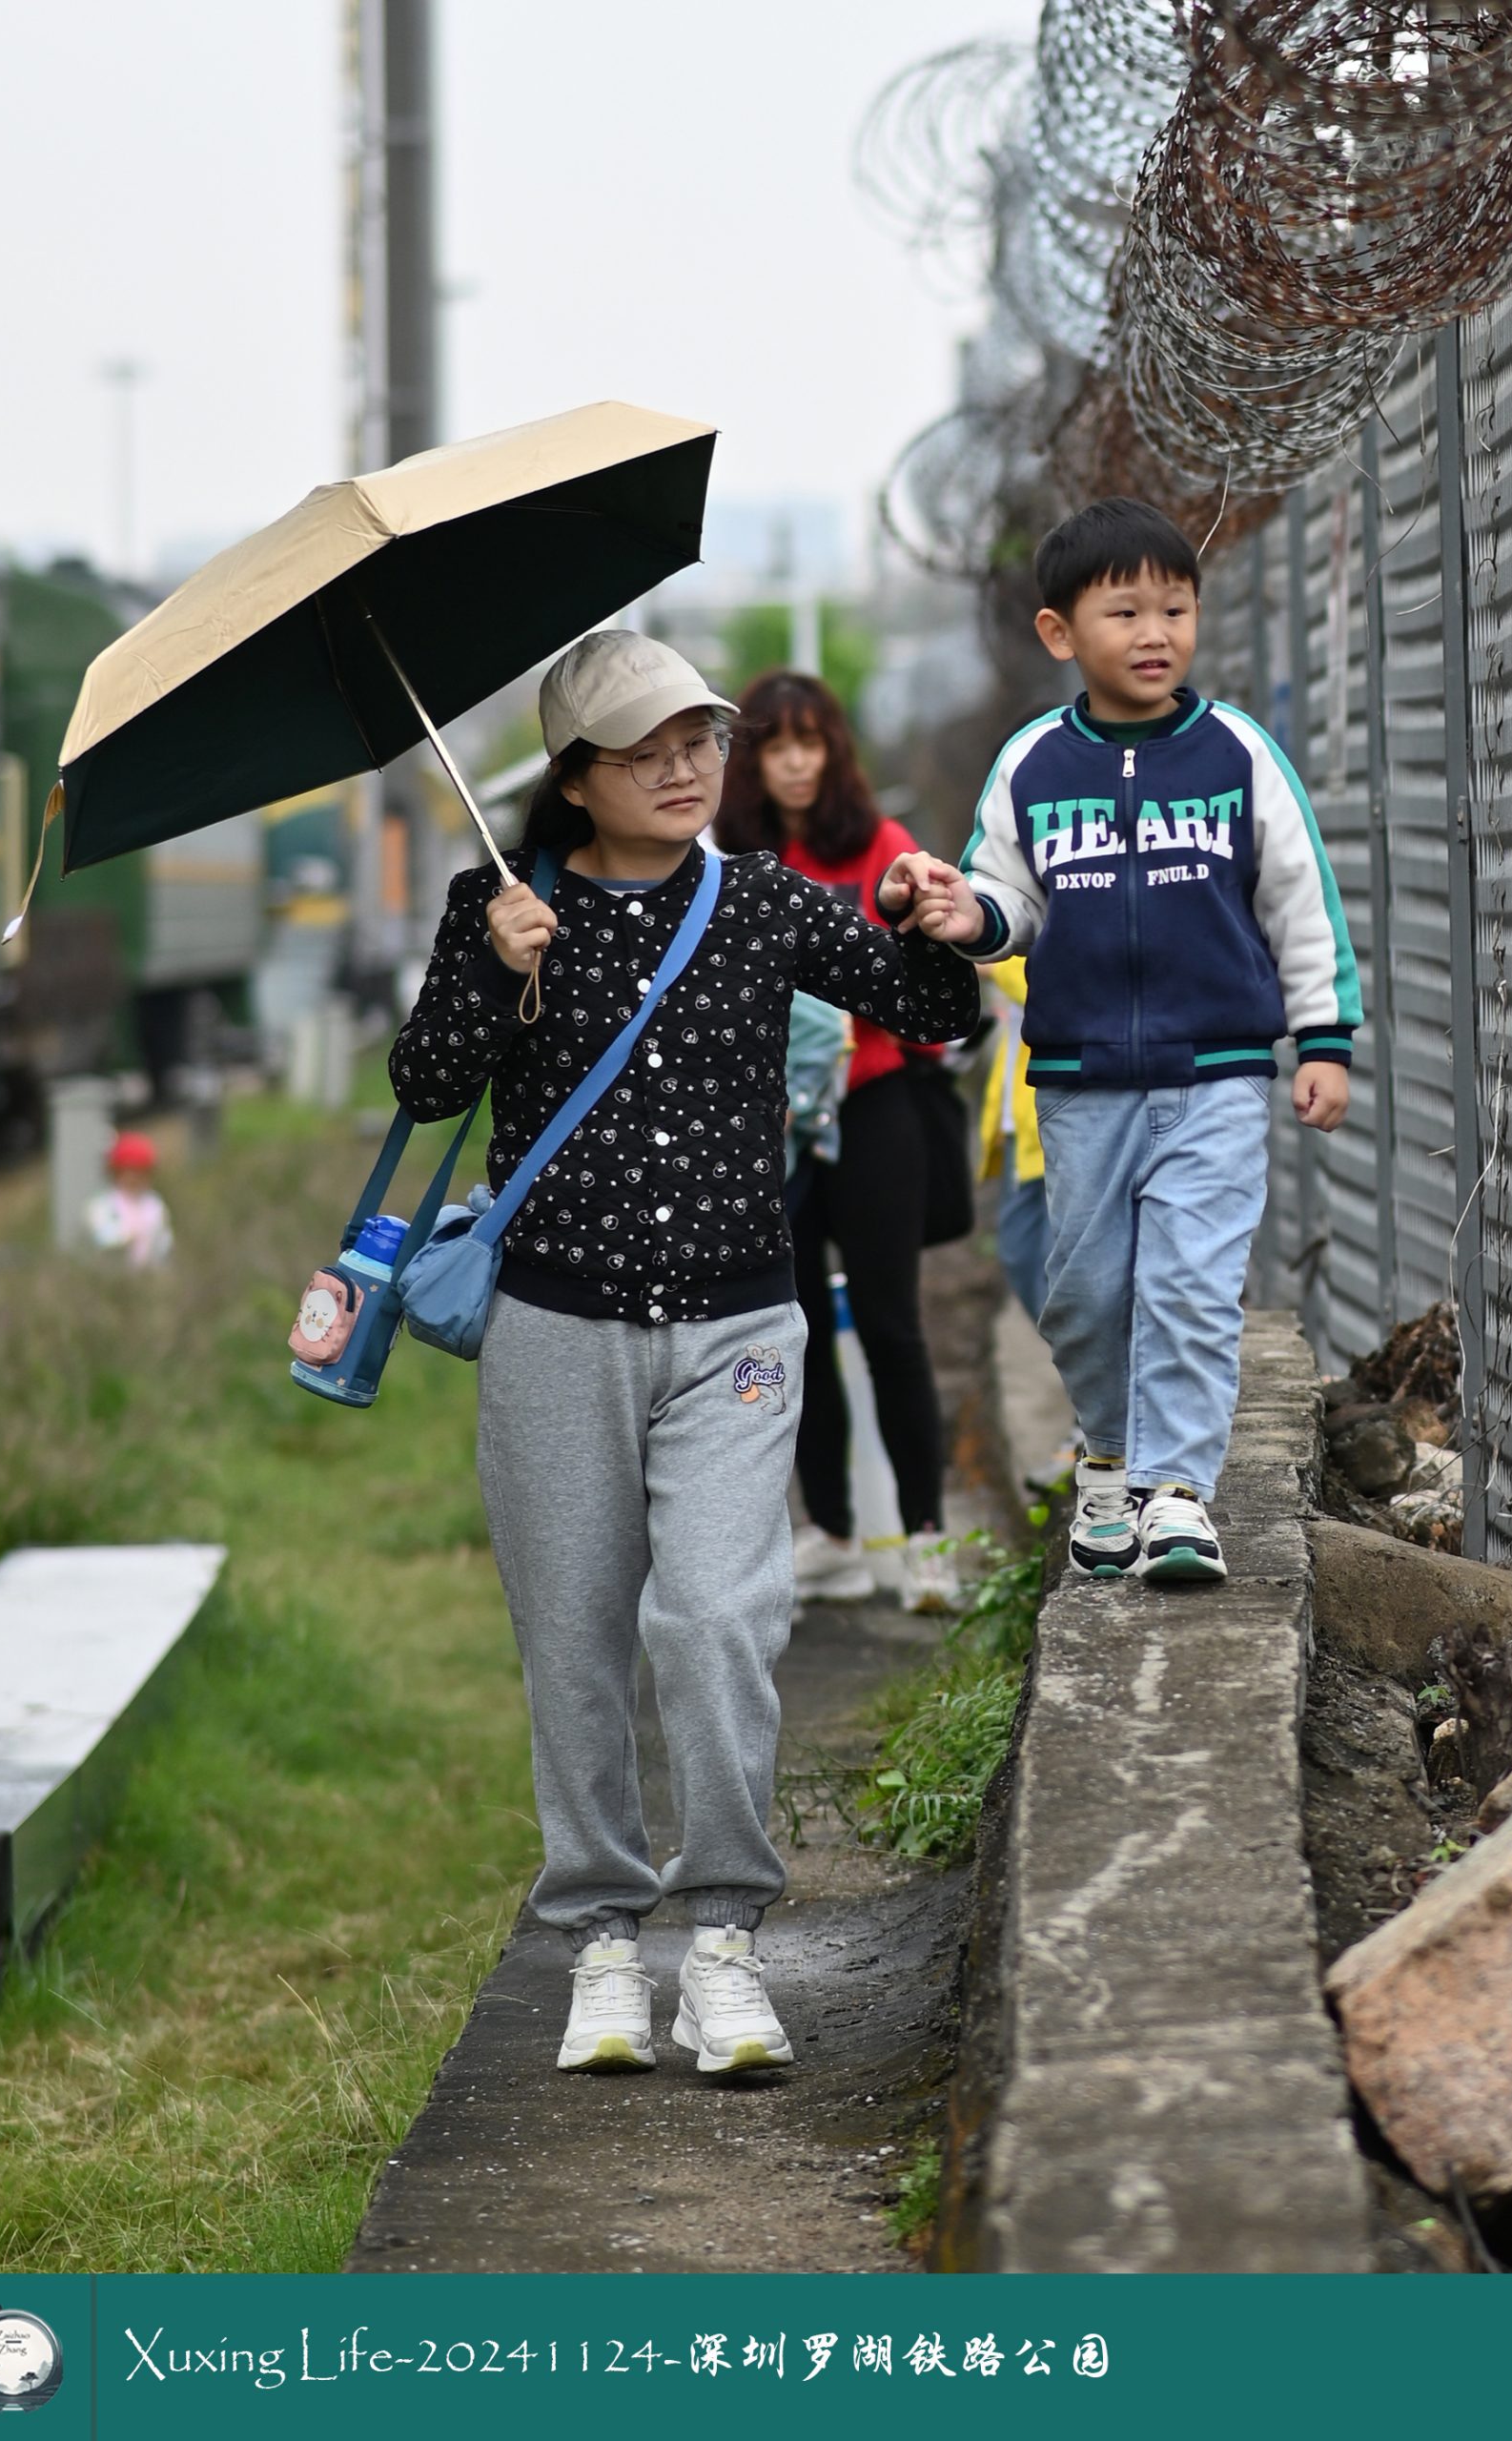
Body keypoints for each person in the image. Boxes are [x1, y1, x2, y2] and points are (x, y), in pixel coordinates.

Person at [389, 630, 976, 2078]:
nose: (683, 768)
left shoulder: (760, 897)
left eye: (698, 740)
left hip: (735, 1329)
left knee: (718, 1619)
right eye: (643, 751)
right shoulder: (501, 904)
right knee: (573, 1639)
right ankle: (600, 1941)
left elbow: (934, 1012)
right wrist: (491, 969)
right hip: (552, 1331)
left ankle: (721, 1939)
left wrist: (944, 919)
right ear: (574, 779)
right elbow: (424, 1083)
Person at [897, 497, 1359, 1585]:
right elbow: (1010, 902)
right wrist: (963, 914)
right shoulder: (1032, 764)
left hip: (1218, 1073)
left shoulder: (1237, 752)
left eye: (1174, 609)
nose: (1156, 633)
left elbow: (1300, 902)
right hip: (1080, 1081)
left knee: (1190, 1286)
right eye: (1125, 612)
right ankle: (1106, 1457)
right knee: (1089, 1294)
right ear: (1059, 632)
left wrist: (1322, 1039)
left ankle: (1175, 1494)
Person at [715, 669, 964, 1615]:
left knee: (892, 1325)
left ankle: (927, 1538)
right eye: (775, 744)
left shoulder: (882, 849)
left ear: (833, 751)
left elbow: (927, 984)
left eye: (809, 741)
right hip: (770, 1122)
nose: (794, 762)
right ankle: (830, 1532)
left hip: (872, 1106)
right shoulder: (730, 860)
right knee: (794, 1327)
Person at [976, 957, 1049, 1323]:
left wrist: (991, 966)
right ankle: (1073, 1349)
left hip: (1052, 1130)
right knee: (1018, 1254)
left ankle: (1085, 1352)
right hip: (1019, 1131)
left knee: (1055, 1263)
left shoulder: (1018, 959)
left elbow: (1044, 987)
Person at [85, 1131, 174, 1268]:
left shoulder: (155, 1204)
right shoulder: (103, 1205)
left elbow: (163, 1240)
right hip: (113, 1272)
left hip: (148, 1272)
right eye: (129, 1172)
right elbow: (101, 1238)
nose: (135, 1178)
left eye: (140, 1172)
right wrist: (128, 1235)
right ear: (116, 1172)